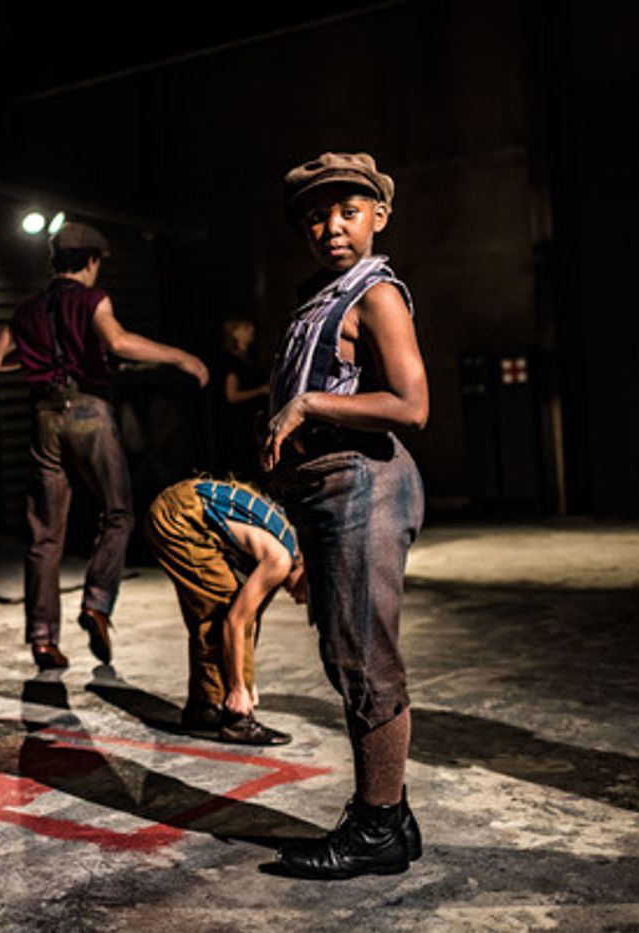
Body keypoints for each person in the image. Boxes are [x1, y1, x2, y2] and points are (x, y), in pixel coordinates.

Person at [260, 153, 428, 879]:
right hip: (326, 487)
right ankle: (391, 813)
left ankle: (378, 828)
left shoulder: (376, 293)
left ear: (379, 215)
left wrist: (309, 403)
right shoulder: (319, 296)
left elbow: (412, 405)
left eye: (348, 211)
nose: (332, 227)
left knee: (364, 656)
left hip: (364, 480)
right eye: (317, 217)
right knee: (345, 648)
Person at [0, 222, 209, 671]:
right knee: (119, 512)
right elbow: (118, 341)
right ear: (91, 261)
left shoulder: (27, 309)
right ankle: (97, 603)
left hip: (45, 415)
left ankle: (44, 639)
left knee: (44, 535)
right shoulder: (92, 299)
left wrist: (34, 361)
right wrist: (182, 356)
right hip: (88, 411)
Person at [144, 476, 304, 745]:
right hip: (180, 515)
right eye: (311, 595)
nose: (303, 602)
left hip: (180, 507)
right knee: (225, 606)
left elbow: (251, 621)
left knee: (216, 611)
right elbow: (235, 623)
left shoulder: (287, 547)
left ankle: (204, 707)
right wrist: (240, 688)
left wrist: (248, 679)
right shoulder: (280, 559)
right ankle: (238, 719)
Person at [216, 318, 270, 479]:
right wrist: (260, 390)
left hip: (252, 421)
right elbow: (231, 396)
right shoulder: (231, 362)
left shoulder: (248, 359)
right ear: (234, 333)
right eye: (245, 327)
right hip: (238, 424)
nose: (251, 329)